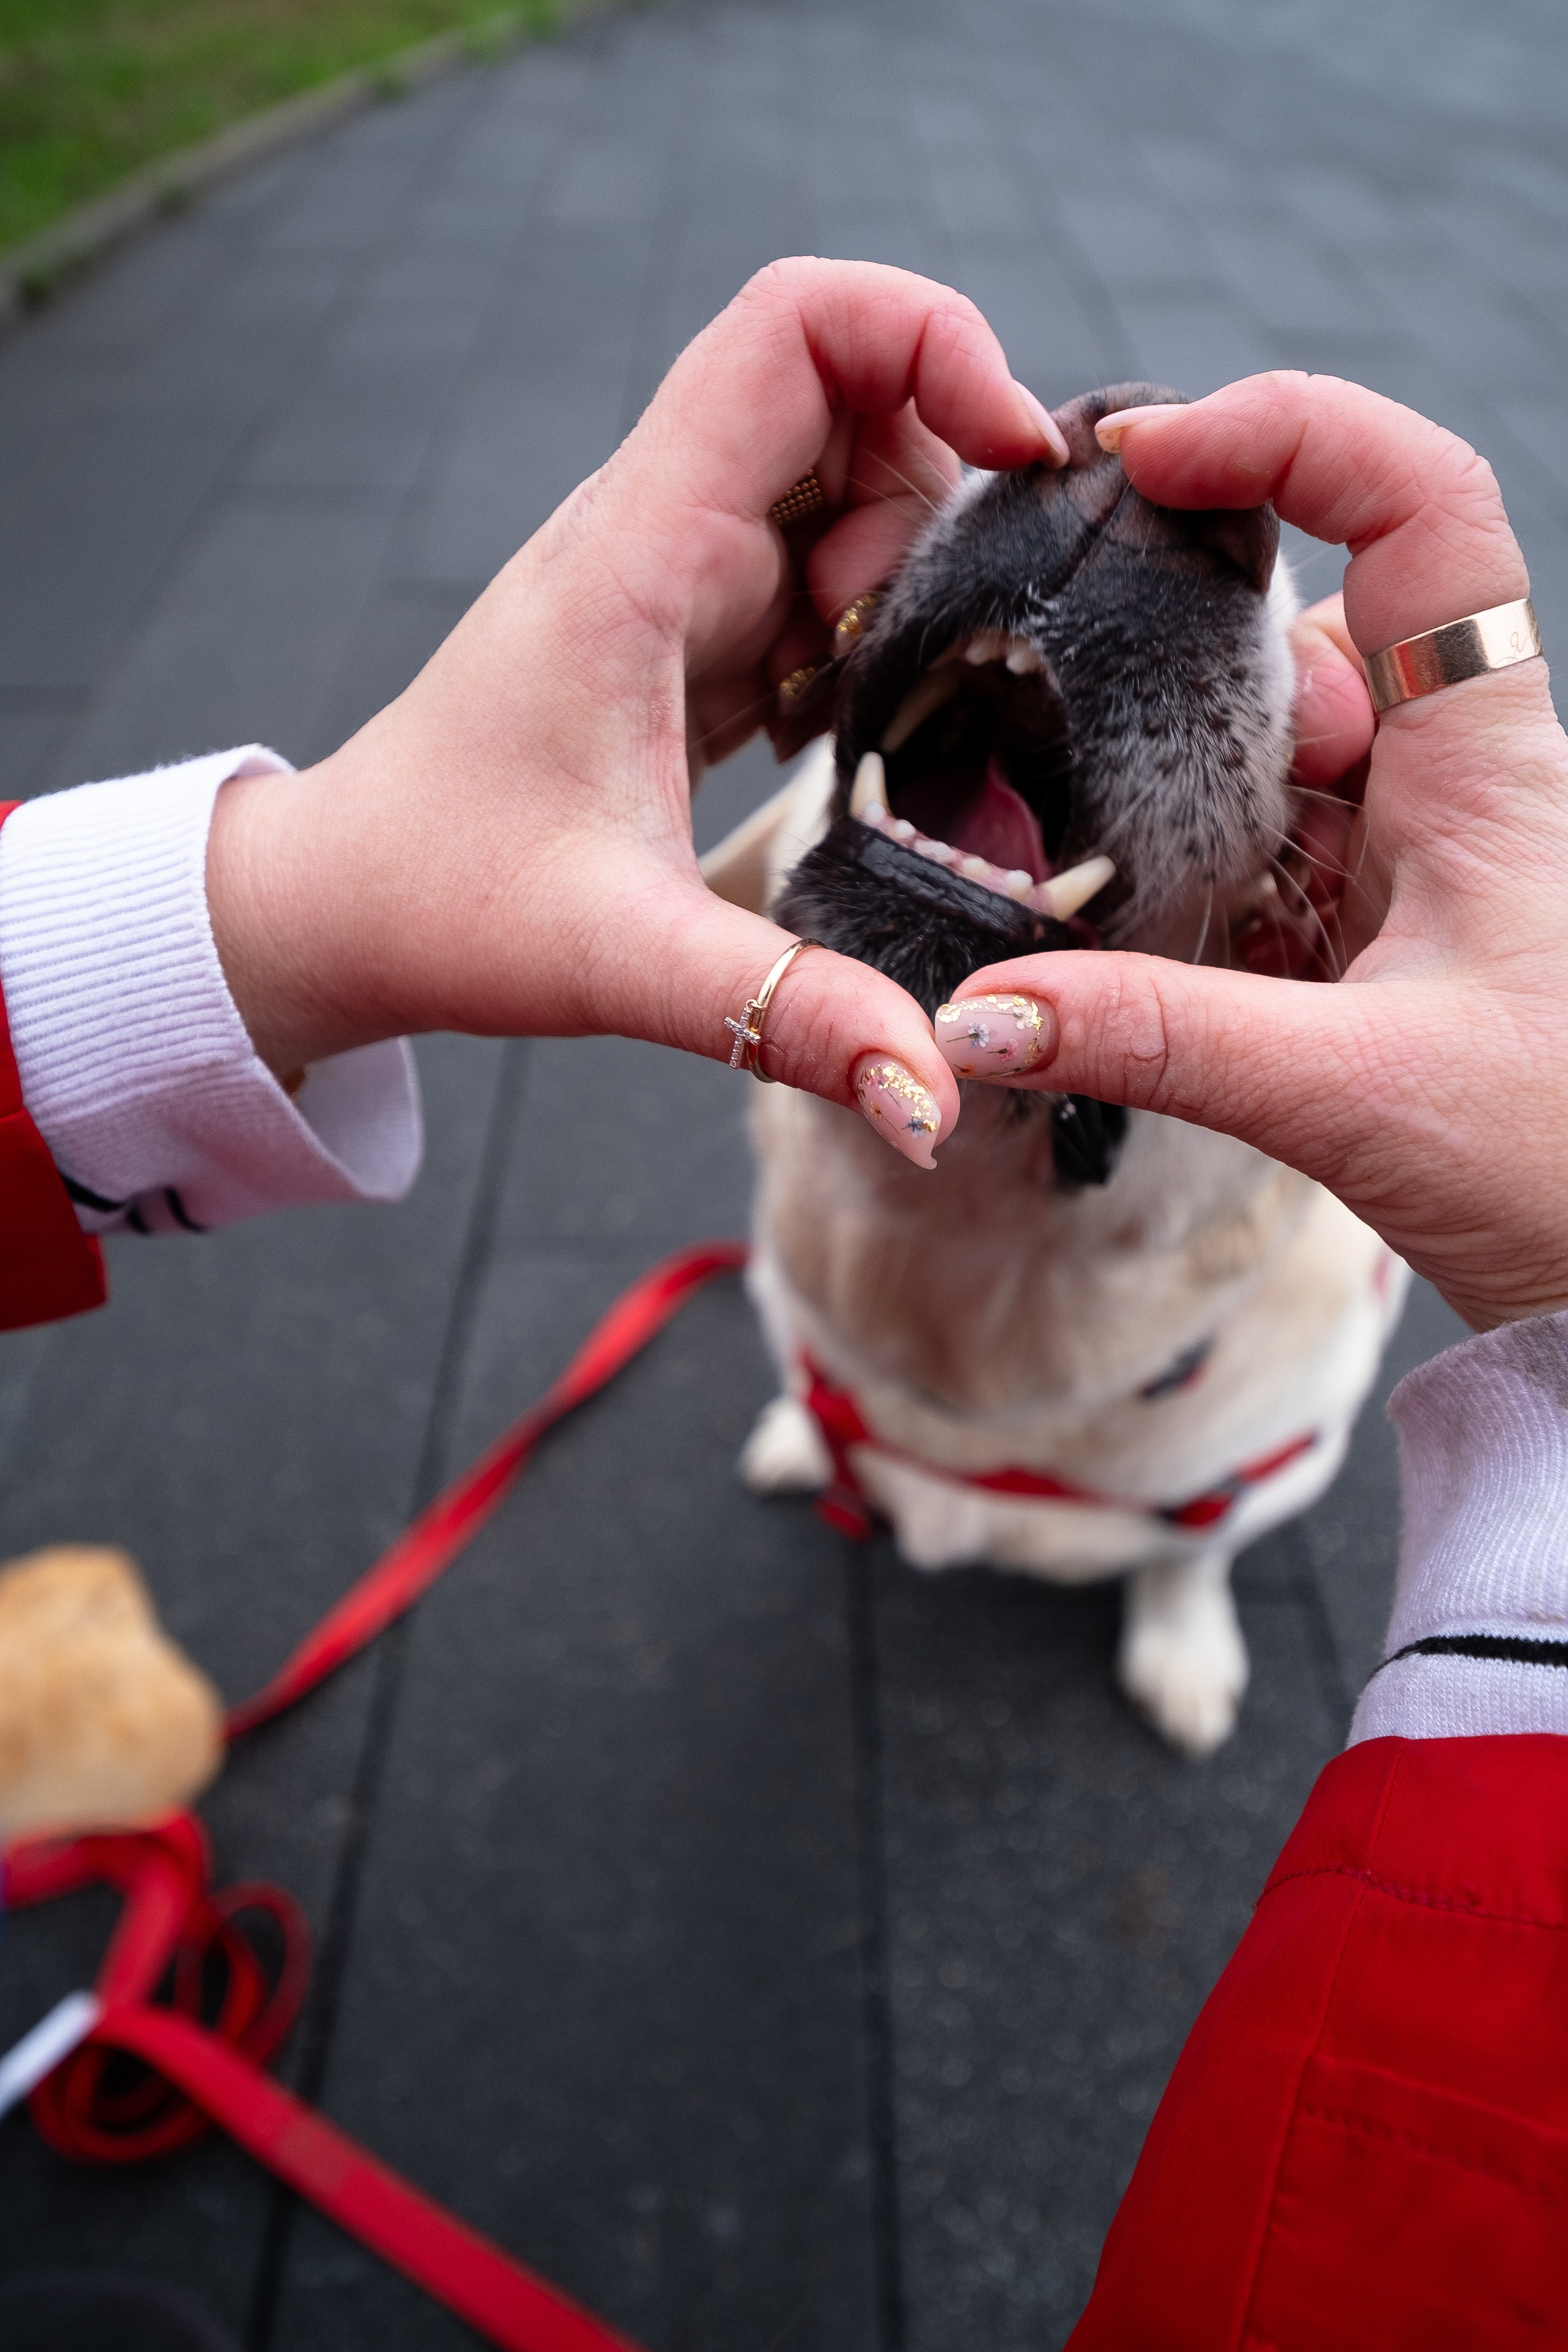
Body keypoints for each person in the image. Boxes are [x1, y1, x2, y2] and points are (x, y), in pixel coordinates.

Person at [1, 259, 1564, 2345]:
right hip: (859, 1315)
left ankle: (1168, 1577)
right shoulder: (793, 937)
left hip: (1190, 1394)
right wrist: (303, 903)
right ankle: (846, 1422)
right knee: (822, 1356)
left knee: (1208, 1516)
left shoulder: (1337, 1268)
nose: (1136, 502)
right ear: (745, 894)